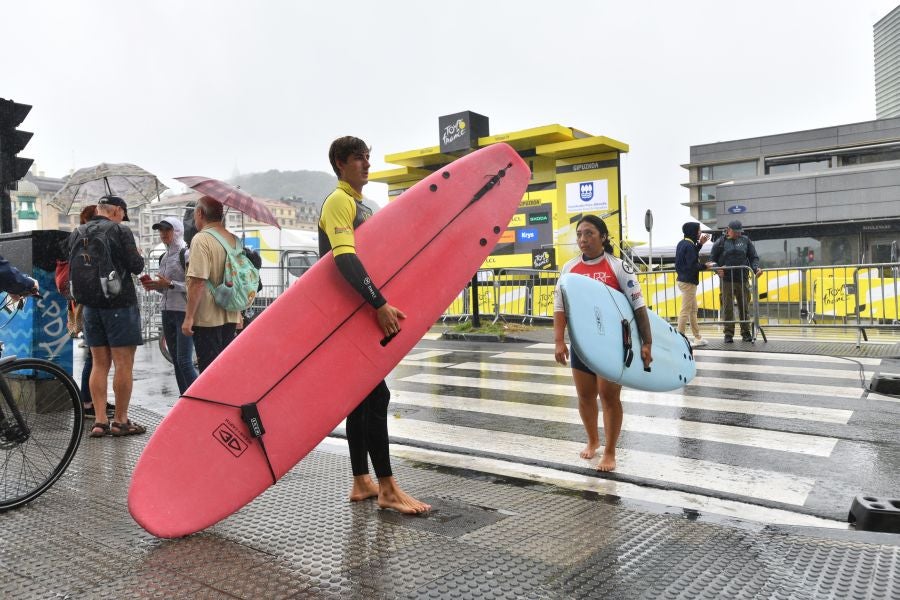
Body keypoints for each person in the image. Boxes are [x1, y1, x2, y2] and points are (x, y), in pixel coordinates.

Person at [318, 135, 430, 514]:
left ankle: (361, 481)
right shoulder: (338, 202)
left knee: (364, 398)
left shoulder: (357, 205)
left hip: (354, 315)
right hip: (348, 317)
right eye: (357, 159)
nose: (366, 164)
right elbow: (345, 260)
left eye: (367, 158)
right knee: (374, 396)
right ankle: (386, 487)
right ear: (339, 164)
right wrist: (379, 304)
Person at [553, 215, 652, 472]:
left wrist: (646, 342)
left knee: (609, 397)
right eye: (579, 235)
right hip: (581, 344)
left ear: (603, 237)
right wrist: (558, 342)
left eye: (589, 234)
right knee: (585, 396)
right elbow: (560, 308)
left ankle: (609, 451)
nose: (583, 240)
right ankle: (593, 440)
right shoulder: (569, 269)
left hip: (612, 344)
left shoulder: (618, 266)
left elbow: (638, 306)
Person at [68, 196, 146, 438]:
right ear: (118, 210)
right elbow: (136, 266)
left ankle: (100, 421)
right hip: (119, 303)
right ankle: (120, 421)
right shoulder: (120, 231)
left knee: (99, 364)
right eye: (123, 213)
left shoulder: (77, 231)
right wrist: (138, 255)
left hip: (90, 305)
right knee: (124, 363)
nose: (123, 218)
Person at [181, 196, 242, 372]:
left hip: (207, 317)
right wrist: (238, 315)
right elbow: (237, 278)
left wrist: (189, 317)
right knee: (224, 368)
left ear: (200, 213)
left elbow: (197, 281)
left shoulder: (201, 239)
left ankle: (210, 400)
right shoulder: (233, 239)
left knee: (208, 369)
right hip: (230, 313)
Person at [67, 205, 115, 419]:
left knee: (94, 358)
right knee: (93, 358)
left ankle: (94, 402)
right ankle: (89, 403)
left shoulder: (80, 242)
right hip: (93, 305)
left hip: (88, 304)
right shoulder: (88, 244)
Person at [144, 217, 197, 393]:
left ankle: (199, 396)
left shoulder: (187, 254)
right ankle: (185, 399)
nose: (163, 234)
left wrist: (171, 285)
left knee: (184, 360)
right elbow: (165, 287)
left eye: (167, 230)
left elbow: (194, 286)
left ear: (178, 231)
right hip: (167, 312)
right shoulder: (164, 257)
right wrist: (155, 286)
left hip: (183, 311)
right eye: (160, 230)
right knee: (176, 359)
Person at [708, 220, 761, 343]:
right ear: (728, 230)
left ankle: (746, 332)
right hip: (727, 280)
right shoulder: (720, 242)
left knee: (744, 307)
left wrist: (756, 268)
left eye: (739, 232)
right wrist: (717, 269)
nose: (738, 234)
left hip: (742, 279)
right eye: (736, 232)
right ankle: (728, 334)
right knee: (728, 307)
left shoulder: (745, 241)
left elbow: (753, 257)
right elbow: (711, 259)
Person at [674, 222, 710, 347]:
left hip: (683, 280)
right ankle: (680, 338)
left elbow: (690, 256)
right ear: (693, 231)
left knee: (693, 310)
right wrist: (706, 266)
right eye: (698, 231)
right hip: (688, 282)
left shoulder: (683, 243)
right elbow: (693, 265)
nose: (700, 233)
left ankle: (697, 337)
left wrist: (700, 244)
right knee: (685, 311)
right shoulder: (689, 246)